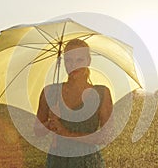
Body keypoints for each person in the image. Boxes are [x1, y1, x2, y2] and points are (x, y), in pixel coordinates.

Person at [34, 39, 113, 168]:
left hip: (88, 161)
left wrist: (67, 134)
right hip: (58, 160)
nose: (73, 65)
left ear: (88, 61)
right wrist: (50, 123)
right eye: (69, 60)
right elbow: (37, 131)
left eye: (79, 60)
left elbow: (106, 136)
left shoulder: (101, 93)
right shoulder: (50, 92)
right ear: (63, 62)